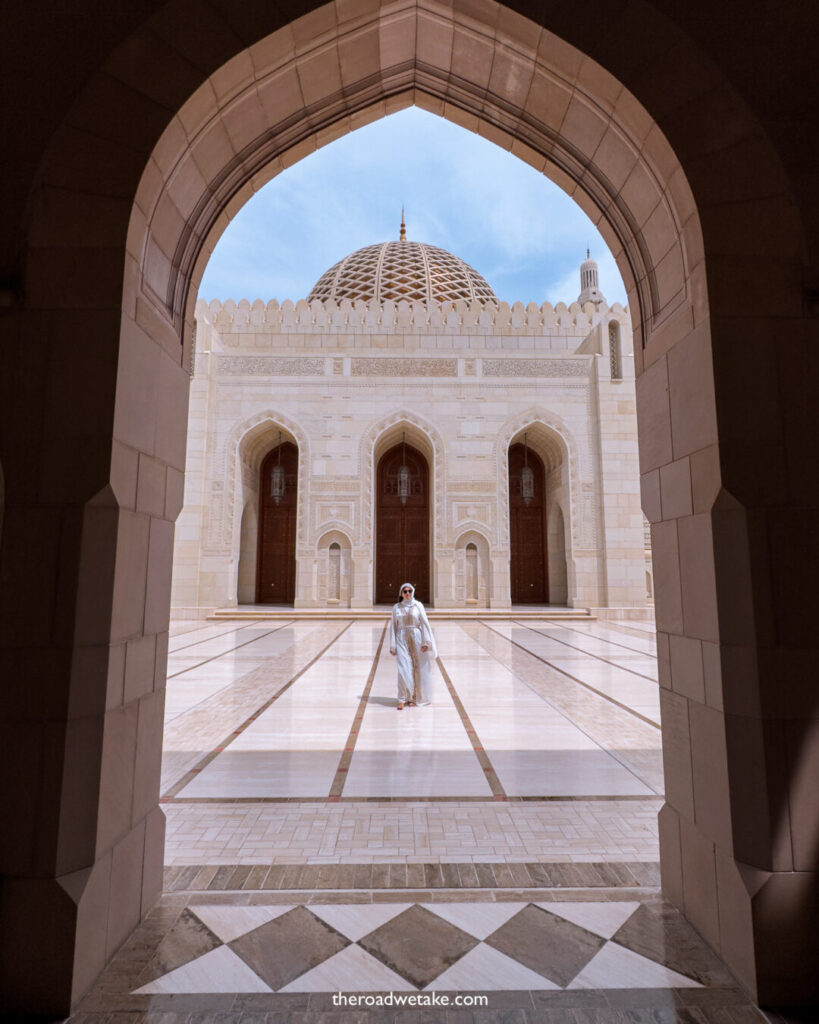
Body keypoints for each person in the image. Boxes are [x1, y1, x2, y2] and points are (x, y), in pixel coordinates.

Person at [389, 582, 437, 710]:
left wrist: (426, 642)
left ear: (413, 592)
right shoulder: (396, 608)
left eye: (409, 591)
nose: (407, 594)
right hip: (401, 638)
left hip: (416, 637)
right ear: (401, 593)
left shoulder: (418, 606)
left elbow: (424, 623)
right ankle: (401, 698)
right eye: (405, 591)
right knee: (403, 668)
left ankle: (412, 698)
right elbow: (393, 627)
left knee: (417, 667)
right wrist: (393, 645)